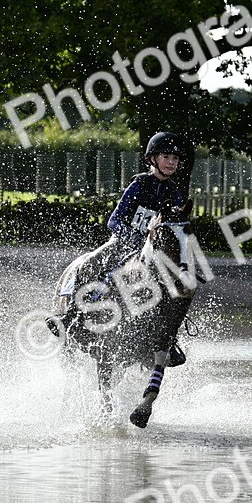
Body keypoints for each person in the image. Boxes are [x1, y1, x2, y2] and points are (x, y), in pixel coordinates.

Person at [51, 132, 192, 365]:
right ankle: (71, 317)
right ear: (153, 159)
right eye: (166, 156)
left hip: (155, 251)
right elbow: (114, 221)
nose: (171, 162)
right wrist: (135, 240)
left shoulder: (175, 193)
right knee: (93, 262)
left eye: (175, 159)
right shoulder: (139, 184)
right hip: (123, 242)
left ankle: (167, 339)